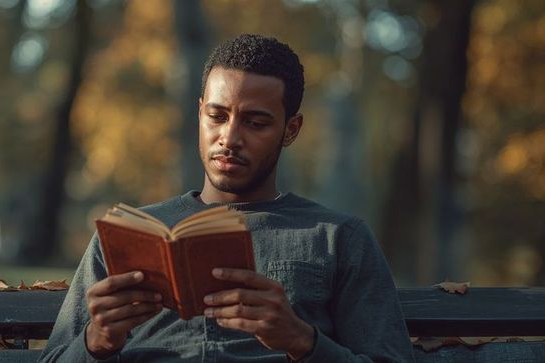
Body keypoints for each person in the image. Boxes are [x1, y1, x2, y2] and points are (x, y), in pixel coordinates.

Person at [40, 34, 415, 362]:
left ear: (291, 130)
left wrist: (302, 341)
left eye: (255, 123)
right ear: (199, 113)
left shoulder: (338, 237)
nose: (230, 138)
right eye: (217, 116)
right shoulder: (129, 236)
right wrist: (96, 342)